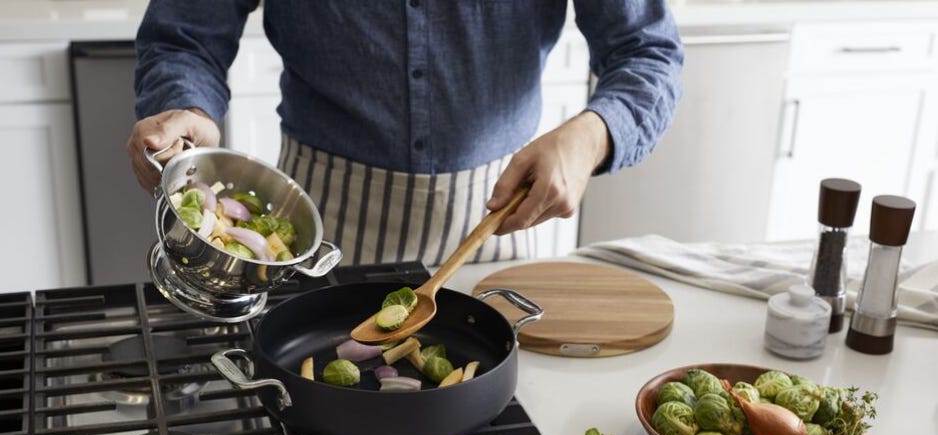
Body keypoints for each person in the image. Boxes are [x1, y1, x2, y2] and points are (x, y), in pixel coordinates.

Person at [127, 1, 683, 266]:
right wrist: (185, 106)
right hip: (311, 227)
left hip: (498, 224)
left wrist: (590, 136)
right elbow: (184, 38)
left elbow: (648, 51)